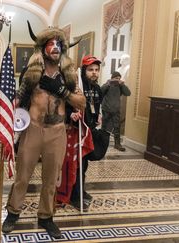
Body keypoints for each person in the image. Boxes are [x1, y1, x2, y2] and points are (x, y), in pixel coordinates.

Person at [2, 23, 86, 239]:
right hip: (33, 129)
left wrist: (61, 90)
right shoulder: (32, 74)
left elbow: (81, 102)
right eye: (51, 44)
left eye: (59, 44)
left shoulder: (68, 77)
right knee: (23, 176)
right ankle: (13, 212)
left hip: (57, 132)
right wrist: (7, 113)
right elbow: (19, 98)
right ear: (43, 48)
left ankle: (46, 217)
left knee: (51, 179)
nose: (55, 48)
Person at [69, 55, 110, 212]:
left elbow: (96, 106)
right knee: (78, 164)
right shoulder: (78, 86)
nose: (94, 73)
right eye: (90, 70)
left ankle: (81, 189)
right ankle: (75, 195)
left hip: (90, 130)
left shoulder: (97, 88)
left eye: (96, 70)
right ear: (84, 70)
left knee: (84, 164)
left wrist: (97, 115)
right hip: (77, 130)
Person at [101, 71, 131, 151]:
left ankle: (117, 144)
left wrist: (122, 84)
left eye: (118, 78)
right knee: (104, 127)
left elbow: (128, 93)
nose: (117, 80)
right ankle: (102, 143)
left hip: (116, 110)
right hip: (106, 109)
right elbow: (100, 92)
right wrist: (108, 83)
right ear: (112, 78)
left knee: (117, 127)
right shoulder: (107, 84)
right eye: (115, 78)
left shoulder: (120, 86)